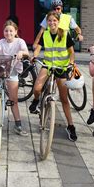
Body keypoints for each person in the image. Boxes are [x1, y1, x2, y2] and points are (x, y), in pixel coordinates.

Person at [29, 11, 78, 142]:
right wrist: (35, 55)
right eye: (49, 21)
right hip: (48, 65)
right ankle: (36, 101)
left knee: (64, 98)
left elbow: (71, 53)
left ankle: (71, 126)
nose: (51, 23)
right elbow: (38, 48)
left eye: (54, 21)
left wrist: (71, 63)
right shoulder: (45, 34)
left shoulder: (65, 35)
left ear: (58, 22)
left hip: (61, 68)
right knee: (37, 88)